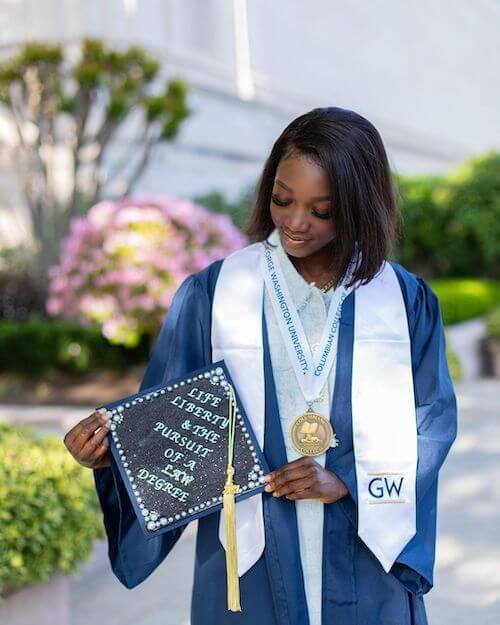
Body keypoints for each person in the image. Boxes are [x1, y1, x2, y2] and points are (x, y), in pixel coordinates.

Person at [64, 106, 457, 625]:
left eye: (322, 210)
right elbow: (172, 425)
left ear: (361, 206)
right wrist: (113, 453)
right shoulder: (215, 293)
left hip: (363, 553)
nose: (296, 223)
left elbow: (431, 420)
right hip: (250, 554)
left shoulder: (403, 300)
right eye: (282, 199)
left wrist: (348, 481)